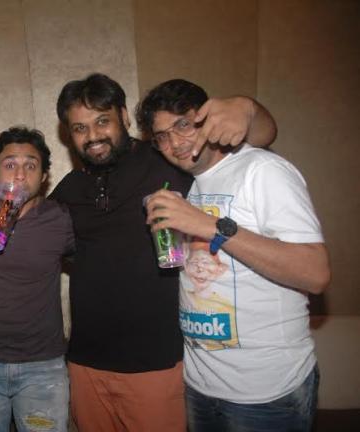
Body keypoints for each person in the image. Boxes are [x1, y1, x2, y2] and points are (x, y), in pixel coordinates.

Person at [50, 73, 277, 431]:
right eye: (80, 128)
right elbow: (38, 237)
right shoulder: (69, 188)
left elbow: (260, 136)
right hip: (85, 363)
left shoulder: (168, 157)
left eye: (102, 121)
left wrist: (245, 108)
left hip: (156, 363)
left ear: (124, 116)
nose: (92, 135)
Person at [138, 78, 330, 431]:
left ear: (208, 119)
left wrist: (210, 226)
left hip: (266, 392)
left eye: (183, 124)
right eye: (161, 136)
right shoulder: (192, 188)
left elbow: (315, 273)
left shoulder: (262, 170)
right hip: (201, 386)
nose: (174, 143)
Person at [0, 127, 75, 432]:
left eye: (30, 165)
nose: (20, 174)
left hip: (43, 368)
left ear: (44, 176)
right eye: (10, 164)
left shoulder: (61, 219)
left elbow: (98, 262)